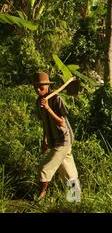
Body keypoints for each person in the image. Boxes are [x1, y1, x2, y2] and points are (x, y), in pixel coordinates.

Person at [32, 72, 80, 201]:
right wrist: (44, 139)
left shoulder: (56, 99)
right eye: (35, 87)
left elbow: (61, 122)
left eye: (41, 87)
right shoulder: (38, 101)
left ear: (48, 86)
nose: (38, 89)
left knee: (44, 168)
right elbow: (44, 122)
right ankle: (75, 199)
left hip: (63, 139)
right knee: (68, 171)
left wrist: (48, 108)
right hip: (53, 139)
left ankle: (41, 195)